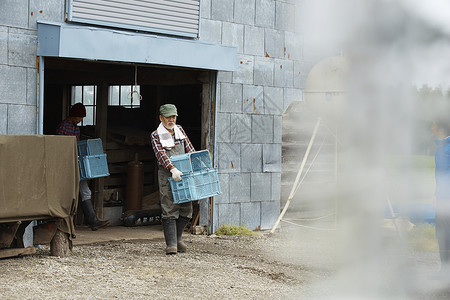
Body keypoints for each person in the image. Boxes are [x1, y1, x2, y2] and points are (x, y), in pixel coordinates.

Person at [56, 102, 110, 231]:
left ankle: (93, 220)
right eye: (80, 117)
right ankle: (65, 223)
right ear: (74, 115)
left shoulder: (76, 128)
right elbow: (58, 145)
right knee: (68, 193)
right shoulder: (63, 127)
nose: (81, 120)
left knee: (85, 191)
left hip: (77, 163)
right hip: (66, 165)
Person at [151, 104, 195, 254]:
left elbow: (190, 148)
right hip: (167, 175)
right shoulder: (156, 135)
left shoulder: (180, 130)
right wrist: (172, 168)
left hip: (184, 174)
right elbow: (161, 154)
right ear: (161, 118)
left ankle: (178, 239)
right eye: (168, 117)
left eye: (173, 116)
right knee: (169, 207)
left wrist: (196, 161)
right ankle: (171, 245)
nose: (171, 119)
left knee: (186, 207)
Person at [431, 118, 450, 277]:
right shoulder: (440, 147)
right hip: (442, 199)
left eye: (434, 125)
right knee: (441, 235)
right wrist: (436, 195)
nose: (432, 128)